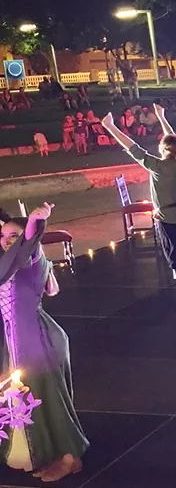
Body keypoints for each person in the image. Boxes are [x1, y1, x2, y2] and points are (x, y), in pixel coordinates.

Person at [0, 203, 89, 482]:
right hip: (18, 339)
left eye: (14, 235)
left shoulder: (29, 256)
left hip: (38, 340)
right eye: (3, 237)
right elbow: (51, 288)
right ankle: (44, 451)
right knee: (31, 400)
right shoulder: (11, 262)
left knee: (50, 399)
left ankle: (70, 458)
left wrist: (36, 222)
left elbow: (30, 245)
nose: (7, 241)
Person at [101, 104, 176, 314]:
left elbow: (133, 148)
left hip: (167, 218)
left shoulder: (157, 167)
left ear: (163, 149)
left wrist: (111, 127)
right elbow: (174, 140)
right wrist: (161, 116)